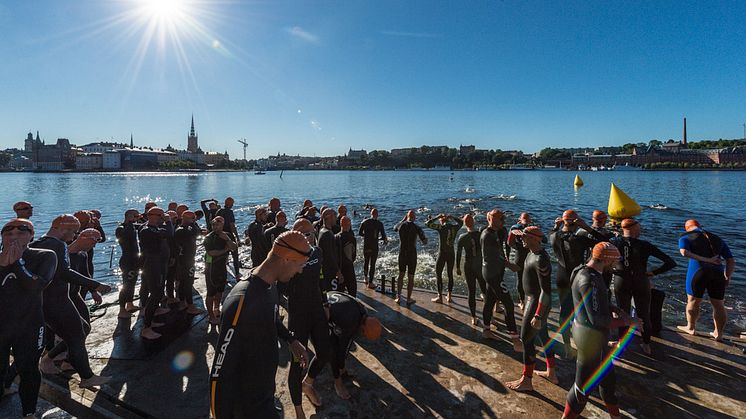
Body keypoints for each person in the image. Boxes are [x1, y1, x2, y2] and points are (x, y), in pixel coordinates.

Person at [209, 231, 312, 418]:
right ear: (287, 259)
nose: (300, 271)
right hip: (247, 407)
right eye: (300, 265)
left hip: (264, 394)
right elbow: (219, 372)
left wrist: (291, 340)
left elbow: (271, 317)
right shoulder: (241, 300)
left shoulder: (270, 285)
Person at [31, 215, 110, 387]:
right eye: (74, 231)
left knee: (82, 329)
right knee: (76, 336)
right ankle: (87, 377)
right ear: (62, 227)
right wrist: (96, 285)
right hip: (57, 302)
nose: (74, 236)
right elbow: (64, 272)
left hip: (47, 301)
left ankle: (49, 360)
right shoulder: (58, 245)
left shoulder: (36, 244)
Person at [563, 242, 635, 419]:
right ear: (606, 259)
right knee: (582, 388)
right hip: (589, 339)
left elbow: (592, 302)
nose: (616, 264)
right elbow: (596, 320)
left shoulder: (585, 272)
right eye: (615, 260)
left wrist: (616, 309)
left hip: (593, 337)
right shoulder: (590, 280)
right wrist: (627, 321)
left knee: (608, 383)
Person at [0, 219, 56, 419]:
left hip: (29, 326)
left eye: (22, 229)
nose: (14, 232)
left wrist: (17, 262)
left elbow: (36, 286)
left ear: (32, 234)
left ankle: (29, 413)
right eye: (8, 230)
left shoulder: (45, 256)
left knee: (29, 370)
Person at [286, 218, 332, 418]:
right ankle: (298, 409)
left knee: (325, 352)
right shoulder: (288, 258)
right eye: (303, 234)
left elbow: (320, 279)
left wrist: (325, 303)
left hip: (317, 311)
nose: (308, 238)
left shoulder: (317, 252)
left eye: (311, 233)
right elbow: (281, 286)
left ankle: (309, 383)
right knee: (297, 363)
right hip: (298, 315)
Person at [45, 229, 109, 370]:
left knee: (85, 329)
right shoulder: (63, 255)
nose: (95, 244)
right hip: (62, 298)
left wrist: (94, 292)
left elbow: (85, 274)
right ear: (83, 237)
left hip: (76, 295)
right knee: (73, 333)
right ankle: (50, 357)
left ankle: (69, 360)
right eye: (95, 240)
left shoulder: (82, 255)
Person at [610, 219, 676, 354]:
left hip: (622, 280)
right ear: (633, 229)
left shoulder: (613, 242)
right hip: (641, 280)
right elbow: (670, 262)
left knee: (623, 312)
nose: (640, 230)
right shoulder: (644, 245)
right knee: (644, 313)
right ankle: (646, 344)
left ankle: (622, 343)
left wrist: (612, 269)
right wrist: (653, 273)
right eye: (639, 228)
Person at [304, 290, 382, 401]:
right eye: (364, 335)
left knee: (336, 347)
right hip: (313, 316)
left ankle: (341, 373)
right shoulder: (351, 322)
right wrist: (338, 376)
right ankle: (308, 384)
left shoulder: (362, 311)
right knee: (326, 352)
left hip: (326, 300)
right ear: (363, 330)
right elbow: (338, 351)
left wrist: (342, 367)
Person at [506, 226, 557, 392]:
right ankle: (552, 372)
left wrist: (538, 315)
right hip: (530, 300)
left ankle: (527, 380)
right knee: (543, 336)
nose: (522, 239)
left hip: (535, 302)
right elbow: (512, 240)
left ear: (535, 239)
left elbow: (546, 291)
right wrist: (515, 233)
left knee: (526, 338)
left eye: (525, 237)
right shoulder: (530, 252)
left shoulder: (541, 259)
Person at [550, 209, 604, 358]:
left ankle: (567, 346)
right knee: (582, 311)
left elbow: (551, 233)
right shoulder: (579, 239)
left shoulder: (554, 236)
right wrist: (586, 227)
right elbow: (603, 242)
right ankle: (583, 343)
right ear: (576, 222)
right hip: (577, 277)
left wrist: (556, 226)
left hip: (561, 276)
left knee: (564, 311)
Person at [676, 219, 736, 342]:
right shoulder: (716, 238)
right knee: (719, 304)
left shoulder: (686, 236)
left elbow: (684, 252)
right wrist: (727, 276)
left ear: (686, 227)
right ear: (699, 226)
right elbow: (730, 260)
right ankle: (718, 334)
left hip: (698, 271)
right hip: (718, 274)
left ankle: (691, 328)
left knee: (693, 301)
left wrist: (706, 260)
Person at [480, 209, 522, 350]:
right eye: (500, 218)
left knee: (490, 300)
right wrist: (510, 265)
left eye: (504, 218)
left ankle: (486, 330)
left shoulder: (497, 232)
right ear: (490, 219)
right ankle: (515, 338)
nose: (503, 221)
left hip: (495, 272)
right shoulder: (487, 235)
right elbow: (493, 256)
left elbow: (501, 250)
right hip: (491, 274)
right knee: (508, 304)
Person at [138, 207, 174, 340]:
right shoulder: (147, 230)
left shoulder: (152, 228)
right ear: (154, 216)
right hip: (152, 265)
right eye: (161, 215)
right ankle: (146, 328)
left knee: (157, 292)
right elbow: (170, 234)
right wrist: (168, 221)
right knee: (156, 293)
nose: (162, 217)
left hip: (156, 263)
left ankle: (150, 320)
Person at [204, 216, 237, 325]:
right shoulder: (209, 237)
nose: (215, 226)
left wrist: (227, 239)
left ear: (222, 225)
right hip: (211, 268)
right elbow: (211, 253)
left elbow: (234, 247)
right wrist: (225, 249)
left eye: (218, 224)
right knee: (211, 292)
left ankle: (216, 308)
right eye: (214, 224)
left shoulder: (226, 235)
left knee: (220, 289)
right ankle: (211, 316)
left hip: (222, 267)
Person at [456, 214, 487, 325]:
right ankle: (489, 317)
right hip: (479, 266)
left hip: (468, 266)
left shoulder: (462, 237)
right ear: (473, 222)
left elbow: (458, 255)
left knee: (471, 292)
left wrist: (458, 268)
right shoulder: (481, 234)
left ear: (464, 224)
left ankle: (473, 317)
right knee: (485, 291)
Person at [426, 213, 463, 304]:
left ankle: (440, 297)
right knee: (450, 274)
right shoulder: (454, 227)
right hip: (451, 254)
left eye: (440, 219)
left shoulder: (441, 227)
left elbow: (427, 224)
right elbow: (461, 222)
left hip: (442, 254)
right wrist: (452, 216)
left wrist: (437, 217)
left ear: (441, 220)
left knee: (438, 273)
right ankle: (449, 296)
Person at [393, 210, 427, 304]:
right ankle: (408, 298)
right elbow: (424, 241)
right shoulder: (417, 227)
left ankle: (399, 297)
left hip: (402, 253)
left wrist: (402, 220)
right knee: (411, 277)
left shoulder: (401, 225)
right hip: (412, 254)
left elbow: (394, 228)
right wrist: (423, 240)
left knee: (401, 275)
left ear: (406, 217)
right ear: (414, 218)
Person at [174, 211, 203, 314]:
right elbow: (197, 232)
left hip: (185, 259)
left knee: (183, 282)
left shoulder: (184, 229)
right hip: (187, 260)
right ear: (186, 218)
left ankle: (183, 303)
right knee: (188, 283)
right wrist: (194, 223)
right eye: (193, 218)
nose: (194, 219)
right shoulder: (182, 230)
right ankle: (190, 306)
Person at [115, 209, 142, 318]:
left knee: (132, 283)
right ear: (129, 216)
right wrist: (130, 222)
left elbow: (140, 226)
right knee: (127, 285)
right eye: (135, 216)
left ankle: (130, 304)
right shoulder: (121, 228)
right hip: (127, 260)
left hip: (134, 259)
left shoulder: (132, 227)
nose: (137, 219)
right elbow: (127, 235)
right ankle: (122, 310)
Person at [507, 212, 534, 309]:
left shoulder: (515, 228)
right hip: (531, 255)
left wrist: (517, 247)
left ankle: (522, 302)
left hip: (519, 255)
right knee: (531, 278)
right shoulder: (532, 229)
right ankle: (531, 300)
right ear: (530, 220)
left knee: (520, 278)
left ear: (519, 219)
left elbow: (509, 242)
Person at [358, 208, 387, 289]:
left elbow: (359, 233)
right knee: (373, 264)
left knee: (366, 261)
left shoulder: (364, 222)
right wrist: (380, 239)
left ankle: (365, 278)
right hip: (374, 246)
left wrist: (366, 236)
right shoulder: (379, 224)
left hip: (366, 245)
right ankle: (370, 283)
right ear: (377, 214)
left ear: (371, 214)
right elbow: (383, 236)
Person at [216, 197, 241, 278]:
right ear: (229, 204)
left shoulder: (219, 211)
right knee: (235, 253)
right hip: (228, 234)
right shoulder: (229, 212)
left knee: (223, 254)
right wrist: (237, 237)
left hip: (220, 234)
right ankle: (237, 273)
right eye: (232, 203)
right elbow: (232, 225)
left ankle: (222, 273)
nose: (233, 205)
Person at [318, 208, 341, 292]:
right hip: (328, 271)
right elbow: (330, 255)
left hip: (325, 269)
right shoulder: (327, 234)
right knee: (332, 293)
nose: (336, 218)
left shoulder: (322, 230)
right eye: (335, 216)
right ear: (329, 217)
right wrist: (338, 271)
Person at [336, 216, 357, 296]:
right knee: (352, 290)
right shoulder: (352, 238)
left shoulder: (335, 237)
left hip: (339, 268)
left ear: (341, 224)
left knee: (340, 292)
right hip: (349, 267)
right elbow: (353, 255)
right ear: (349, 225)